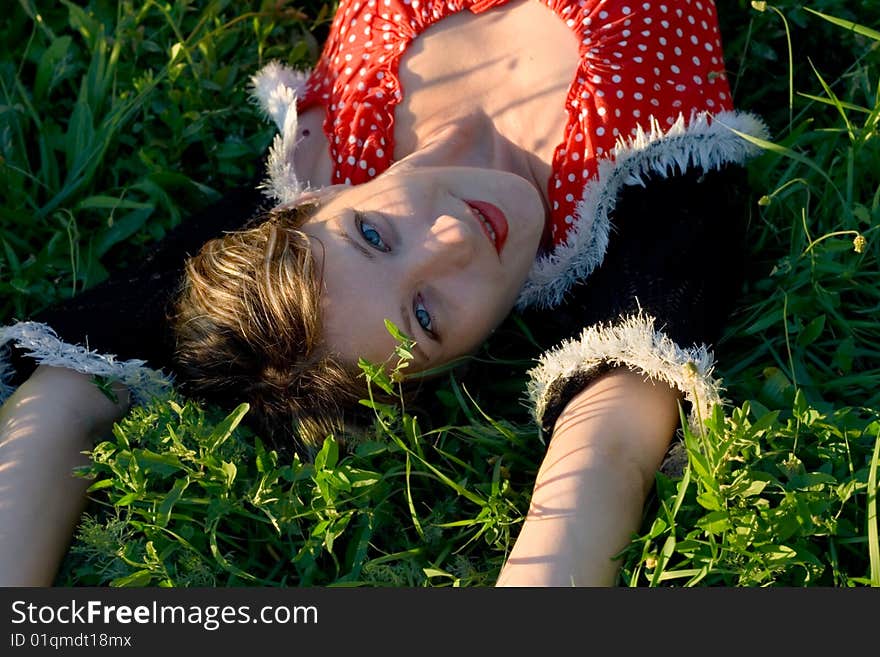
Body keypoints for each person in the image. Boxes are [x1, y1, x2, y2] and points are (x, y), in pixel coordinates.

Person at [0, 0, 767, 586]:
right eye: (426, 316)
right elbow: (606, 447)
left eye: (372, 234)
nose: (456, 237)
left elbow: (81, 370)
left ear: (304, 200)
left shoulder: (333, 148)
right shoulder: (647, 194)